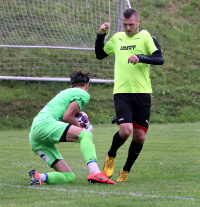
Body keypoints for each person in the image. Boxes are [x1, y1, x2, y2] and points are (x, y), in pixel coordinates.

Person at [95, 8, 164, 182]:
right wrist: (100, 35)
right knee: (125, 131)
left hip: (142, 93)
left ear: (138, 22)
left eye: (131, 25)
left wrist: (140, 57)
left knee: (140, 136)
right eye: (125, 25)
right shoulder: (117, 38)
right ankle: (110, 156)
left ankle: (125, 171)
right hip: (122, 92)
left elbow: (159, 59)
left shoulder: (147, 37)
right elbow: (100, 54)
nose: (127, 28)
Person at [28, 71, 117, 185]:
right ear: (87, 85)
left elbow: (65, 115)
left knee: (69, 176)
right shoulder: (82, 93)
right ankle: (95, 172)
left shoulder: (65, 92)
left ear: (71, 86)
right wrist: (82, 129)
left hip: (34, 136)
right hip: (45, 124)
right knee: (86, 135)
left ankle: (38, 177)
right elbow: (67, 116)